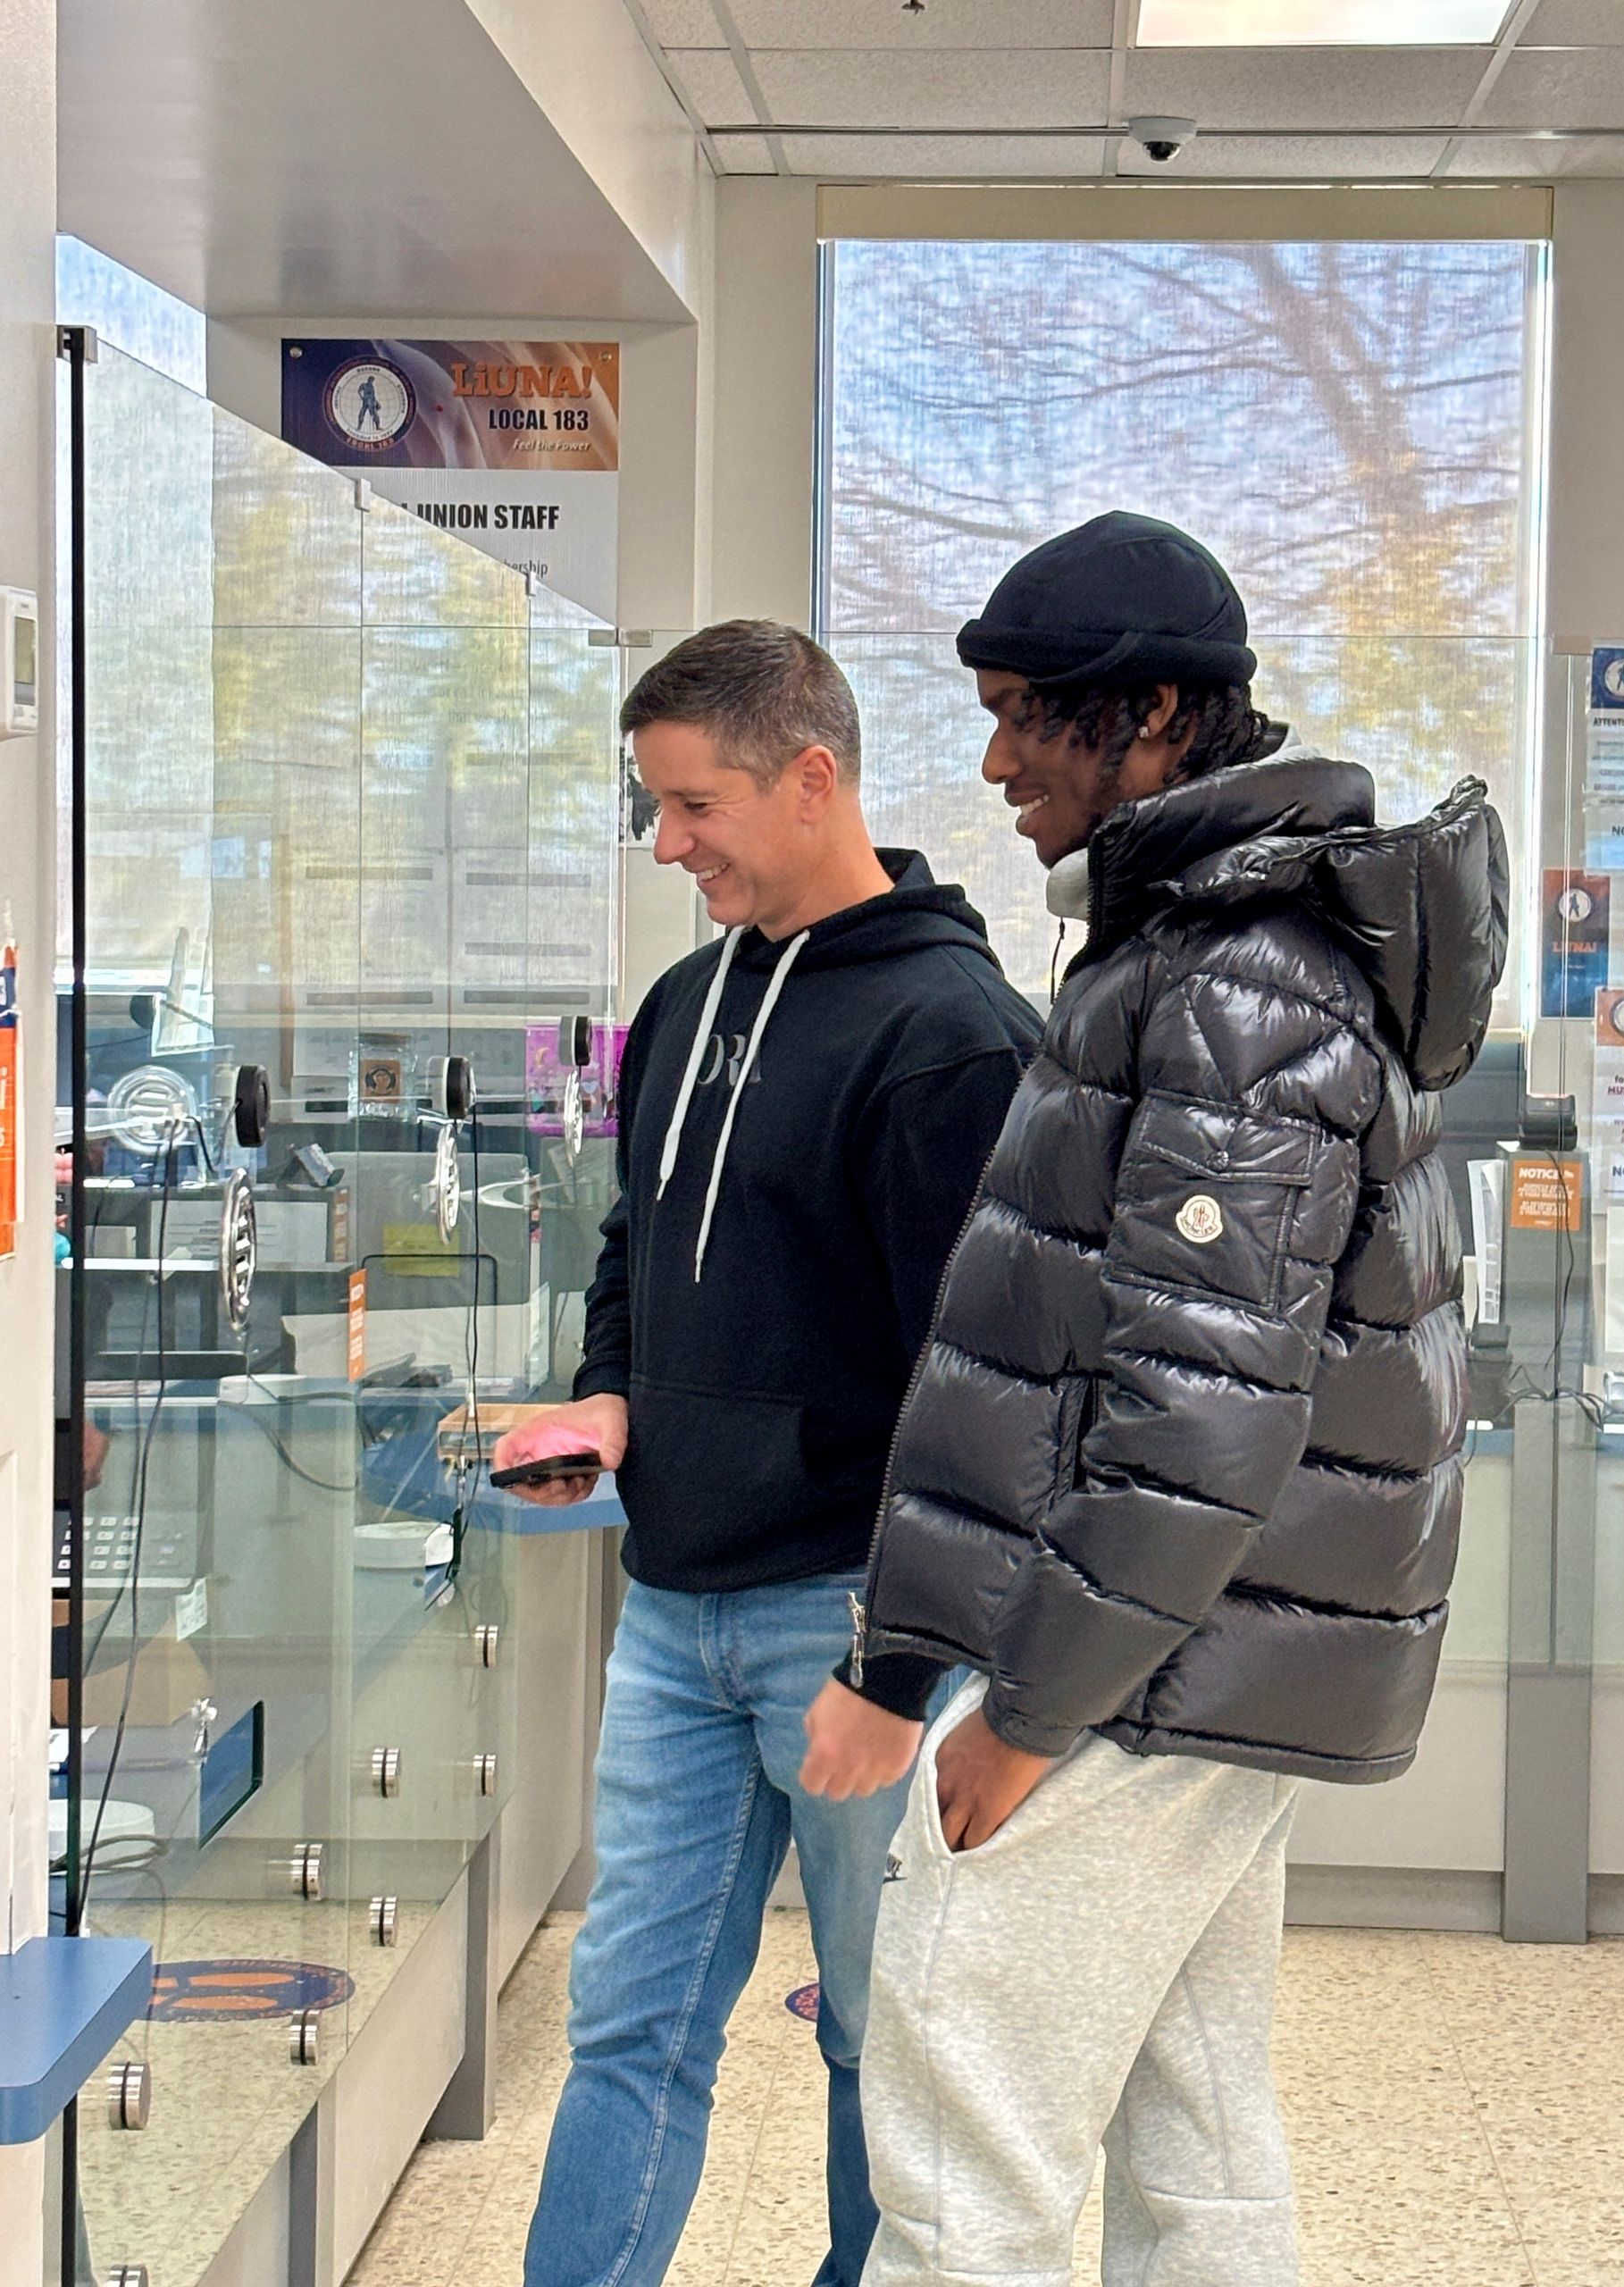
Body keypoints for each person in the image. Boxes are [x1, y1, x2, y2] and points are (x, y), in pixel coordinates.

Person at [800, 512, 1508, 2285]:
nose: (996, 754)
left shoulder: (1244, 981)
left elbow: (1204, 1411)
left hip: (1150, 1662)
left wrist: (1031, 1706)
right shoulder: (1204, 949)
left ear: (1162, 717)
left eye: (1033, 710)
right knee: (1192, 2139)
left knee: (967, 2147)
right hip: (1199, 1647)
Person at [496, 619, 1042, 2287]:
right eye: (652, 807)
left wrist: (905, 1663)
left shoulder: (955, 1036)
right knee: (627, 2033)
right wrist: (609, 1398)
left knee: (884, 2046)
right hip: (670, 1613)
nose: (667, 845)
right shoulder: (681, 1003)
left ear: (812, 779)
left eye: (691, 805)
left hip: (855, 1629)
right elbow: (634, 1256)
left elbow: (991, 1387)